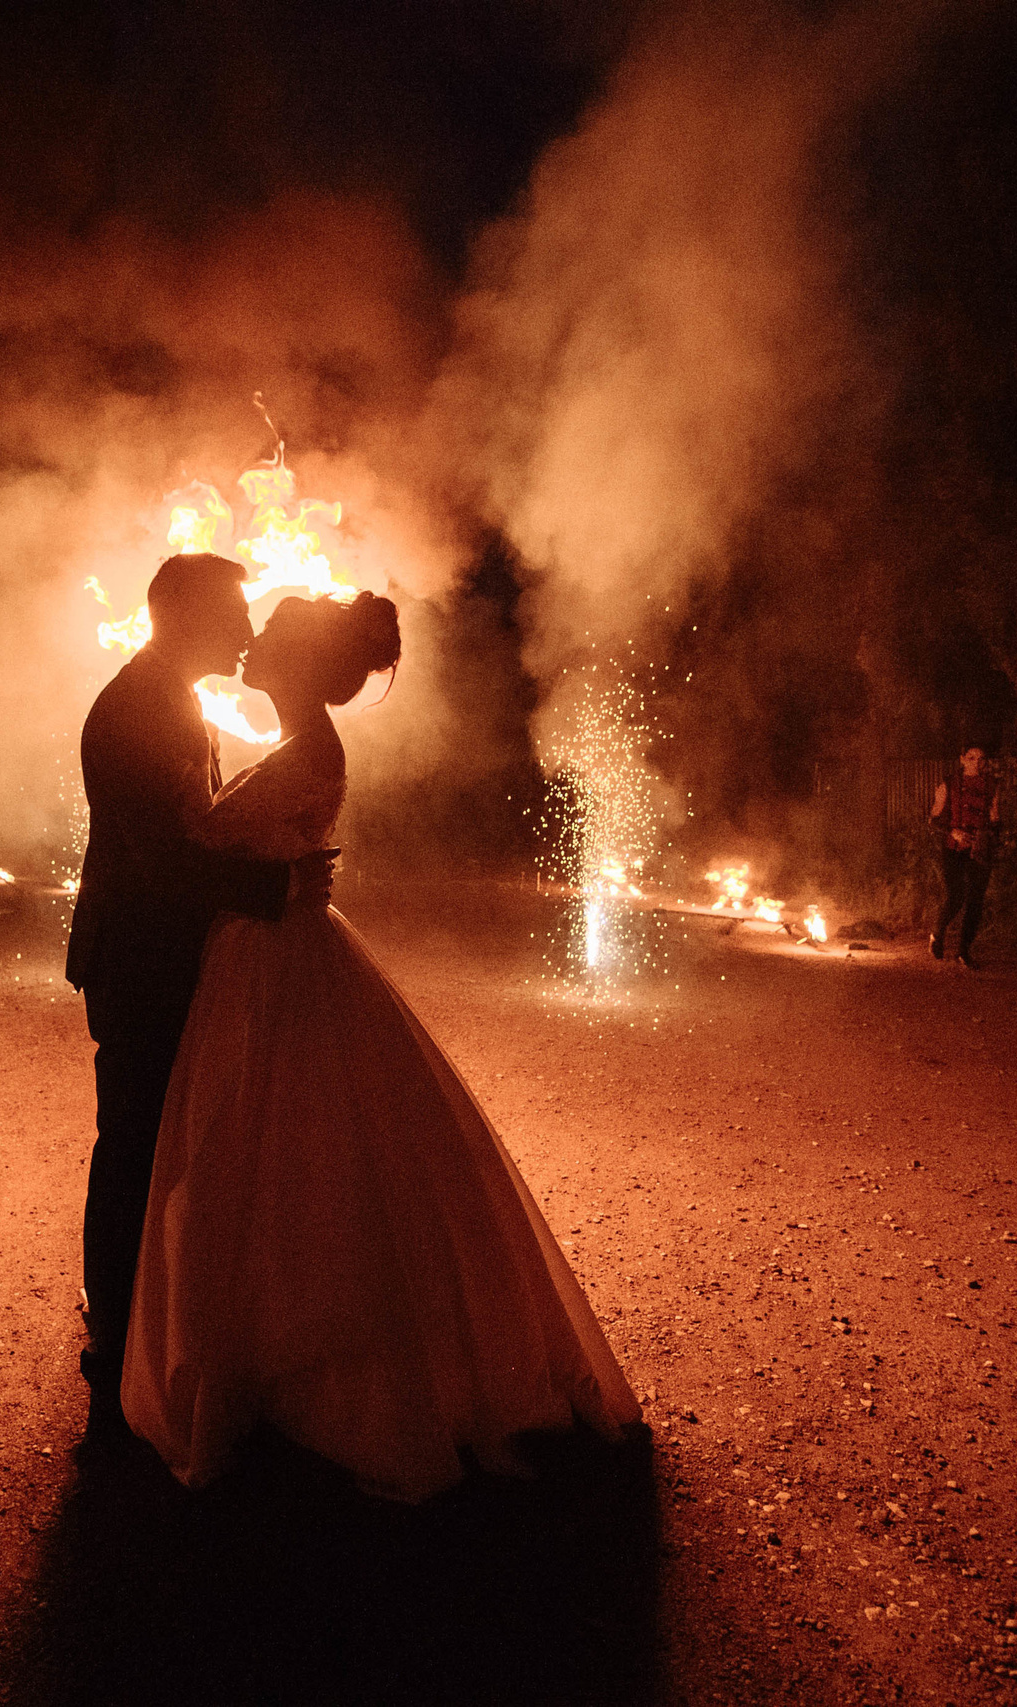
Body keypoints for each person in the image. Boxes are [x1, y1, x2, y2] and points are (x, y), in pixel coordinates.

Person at [120, 593, 639, 1501]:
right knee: (272, 1159)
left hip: (274, 966)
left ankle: (297, 1359)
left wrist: (237, 856)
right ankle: (275, 1347)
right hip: (268, 956)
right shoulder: (297, 746)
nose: (253, 645)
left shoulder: (309, 750)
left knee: (277, 1158)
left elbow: (204, 844)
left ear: (302, 666)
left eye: (271, 638)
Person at [66, 553, 333, 1440]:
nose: (248, 629)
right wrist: (276, 890)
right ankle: (114, 1337)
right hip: (141, 957)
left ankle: (137, 1321)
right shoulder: (141, 707)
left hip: (165, 952)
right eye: (232, 610)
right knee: (136, 1137)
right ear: (178, 612)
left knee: (160, 1140)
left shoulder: (166, 699)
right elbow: (158, 861)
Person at [929, 743, 999, 967]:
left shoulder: (992, 785)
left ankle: (964, 950)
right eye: (971, 758)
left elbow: (995, 816)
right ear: (962, 759)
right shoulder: (949, 784)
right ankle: (937, 934)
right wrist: (953, 832)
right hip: (953, 847)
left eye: (980, 758)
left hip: (979, 848)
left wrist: (989, 836)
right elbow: (934, 819)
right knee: (956, 895)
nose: (976, 763)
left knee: (976, 900)